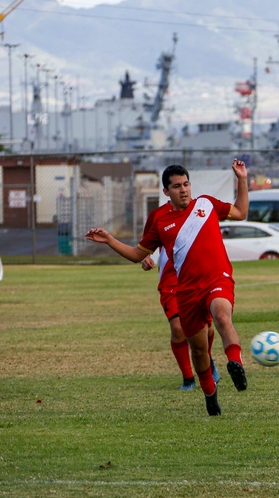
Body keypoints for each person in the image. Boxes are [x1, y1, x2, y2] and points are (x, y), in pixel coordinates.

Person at [85, 160, 250, 415]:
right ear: (166, 192)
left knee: (221, 315)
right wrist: (108, 240)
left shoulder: (206, 204)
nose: (183, 190)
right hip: (186, 290)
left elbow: (240, 212)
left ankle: (235, 364)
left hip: (218, 278)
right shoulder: (159, 219)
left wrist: (241, 179)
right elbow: (137, 254)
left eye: (186, 184)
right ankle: (209, 392)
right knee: (197, 349)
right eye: (176, 186)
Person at [140, 247, 220, 391]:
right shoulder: (161, 223)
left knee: (205, 329)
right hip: (170, 282)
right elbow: (148, 239)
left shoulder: (199, 223)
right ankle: (188, 378)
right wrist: (144, 256)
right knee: (178, 328)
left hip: (196, 277)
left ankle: (207, 359)